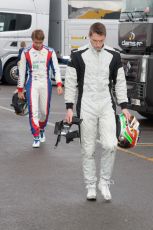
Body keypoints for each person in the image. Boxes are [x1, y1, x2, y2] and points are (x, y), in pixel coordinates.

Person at [64, 22, 131, 201]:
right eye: (95, 41)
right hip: (86, 105)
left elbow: (120, 82)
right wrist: (69, 108)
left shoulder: (114, 55)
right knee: (88, 149)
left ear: (104, 38)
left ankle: (105, 182)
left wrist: (124, 106)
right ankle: (91, 185)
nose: (98, 45)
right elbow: (70, 83)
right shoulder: (77, 56)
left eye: (101, 41)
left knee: (110, 144)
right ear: (89, 36)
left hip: (106, 104)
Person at [17, 29, 63, 148]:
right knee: (34, 110)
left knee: (44, 111)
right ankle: (36, 135)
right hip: (32, 83)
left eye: (40, 42)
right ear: (32, 40)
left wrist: (59, 84)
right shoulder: (26, 52)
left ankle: (41, 129)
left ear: (43, 41)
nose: (38, 45)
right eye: (36, 42)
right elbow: (22, 72)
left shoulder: (50, 51)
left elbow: (56, 68)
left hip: (45, 83)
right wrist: (20, 89)